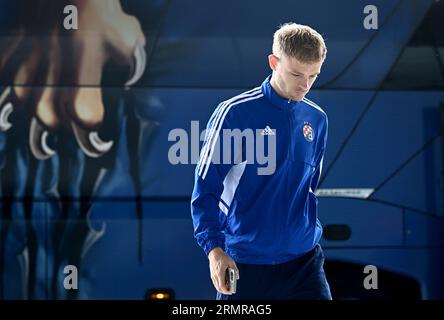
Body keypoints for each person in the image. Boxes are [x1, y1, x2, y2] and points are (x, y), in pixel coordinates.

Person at [191, 22, 331, 300]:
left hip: (305, 264)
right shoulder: (234, 113)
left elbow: (310, 188)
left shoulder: (317, 119)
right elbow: (205, 188)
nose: (305, 85)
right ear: (273, 62)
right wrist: (214, 250)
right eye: (296, 74)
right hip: (246, 264)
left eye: (313, 76)